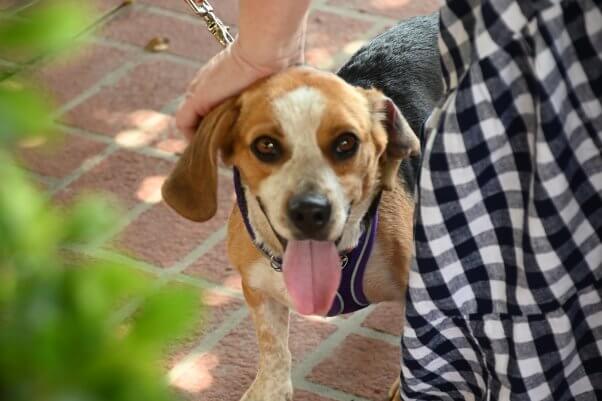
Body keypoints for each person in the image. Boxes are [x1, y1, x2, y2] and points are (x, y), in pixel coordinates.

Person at [177, 0, 602, 399]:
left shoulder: (394, 243)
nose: (308, 200)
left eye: (343, 145)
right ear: (227, 148)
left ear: (388, 144)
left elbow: (428, 297)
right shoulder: (246, 244)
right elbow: (261, 292)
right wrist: (273, 372)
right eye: (268, 148)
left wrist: (423, 367)